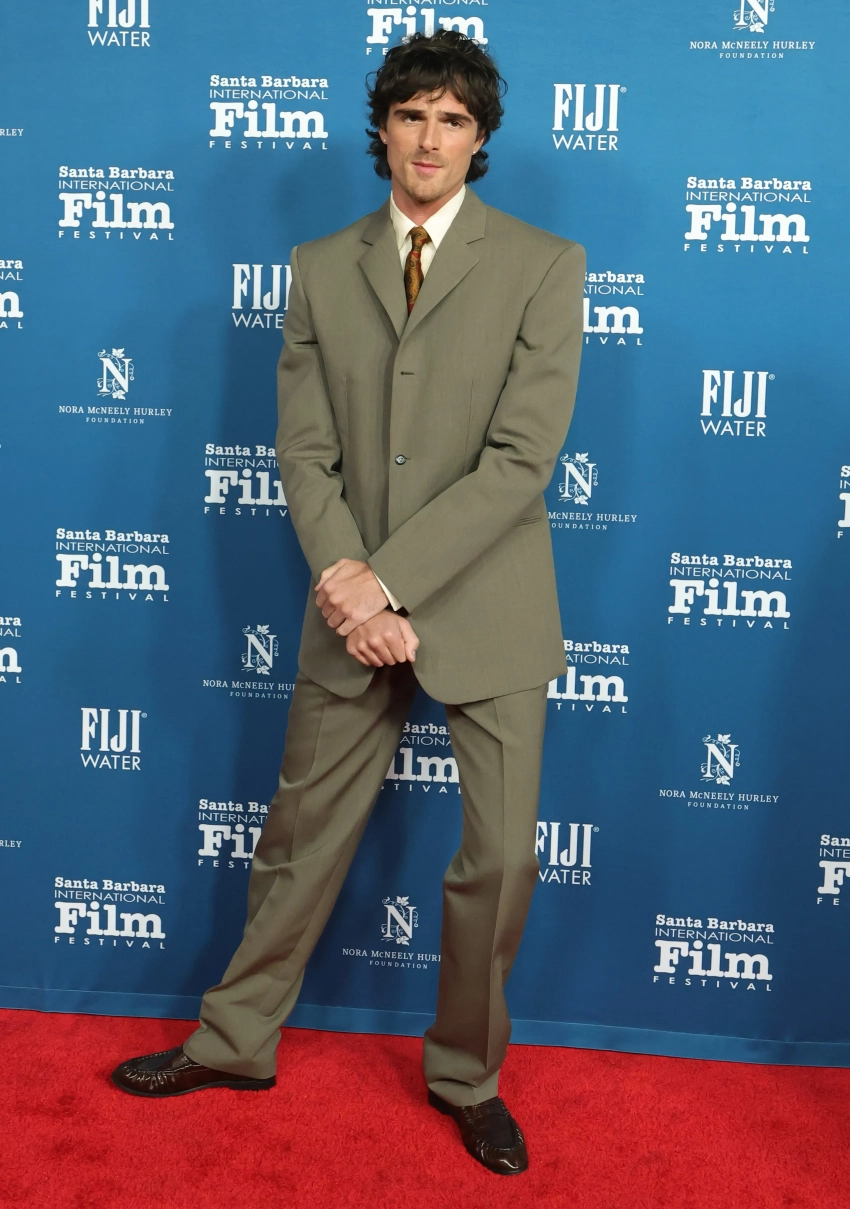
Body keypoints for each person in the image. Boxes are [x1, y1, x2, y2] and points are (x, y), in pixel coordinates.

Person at [113, 30, 584, 1177]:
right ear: (382, 127)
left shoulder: (544, 264)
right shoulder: (321, 266)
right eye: (411, 114)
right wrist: (348, 585)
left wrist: (390, 578)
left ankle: (467, 1077)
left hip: (488, 603)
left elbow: (521, 459)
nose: (429, 138)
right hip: (347, 606)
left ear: (479, 138)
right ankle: (234, 1042)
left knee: (499, 864)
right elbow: (304, 449)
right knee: (298, 838)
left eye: (452, 119)